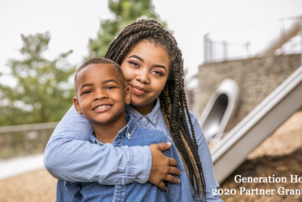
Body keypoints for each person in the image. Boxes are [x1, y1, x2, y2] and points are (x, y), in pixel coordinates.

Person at [44, 19, 222, 201]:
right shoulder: (97, 110)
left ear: (167, 80)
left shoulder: (183, 123)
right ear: (118, 61)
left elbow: (208, 193)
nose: (143, 77)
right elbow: (57, 158)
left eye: (157, 72)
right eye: (135, 64)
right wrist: (145, 163)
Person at [56, 57, 192, 202]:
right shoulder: (75, 161)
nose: (100, 95)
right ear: (77, 105)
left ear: (126, 94)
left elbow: (179, 196)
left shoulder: (158, 142)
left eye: (109, 87)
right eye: (88, 91)